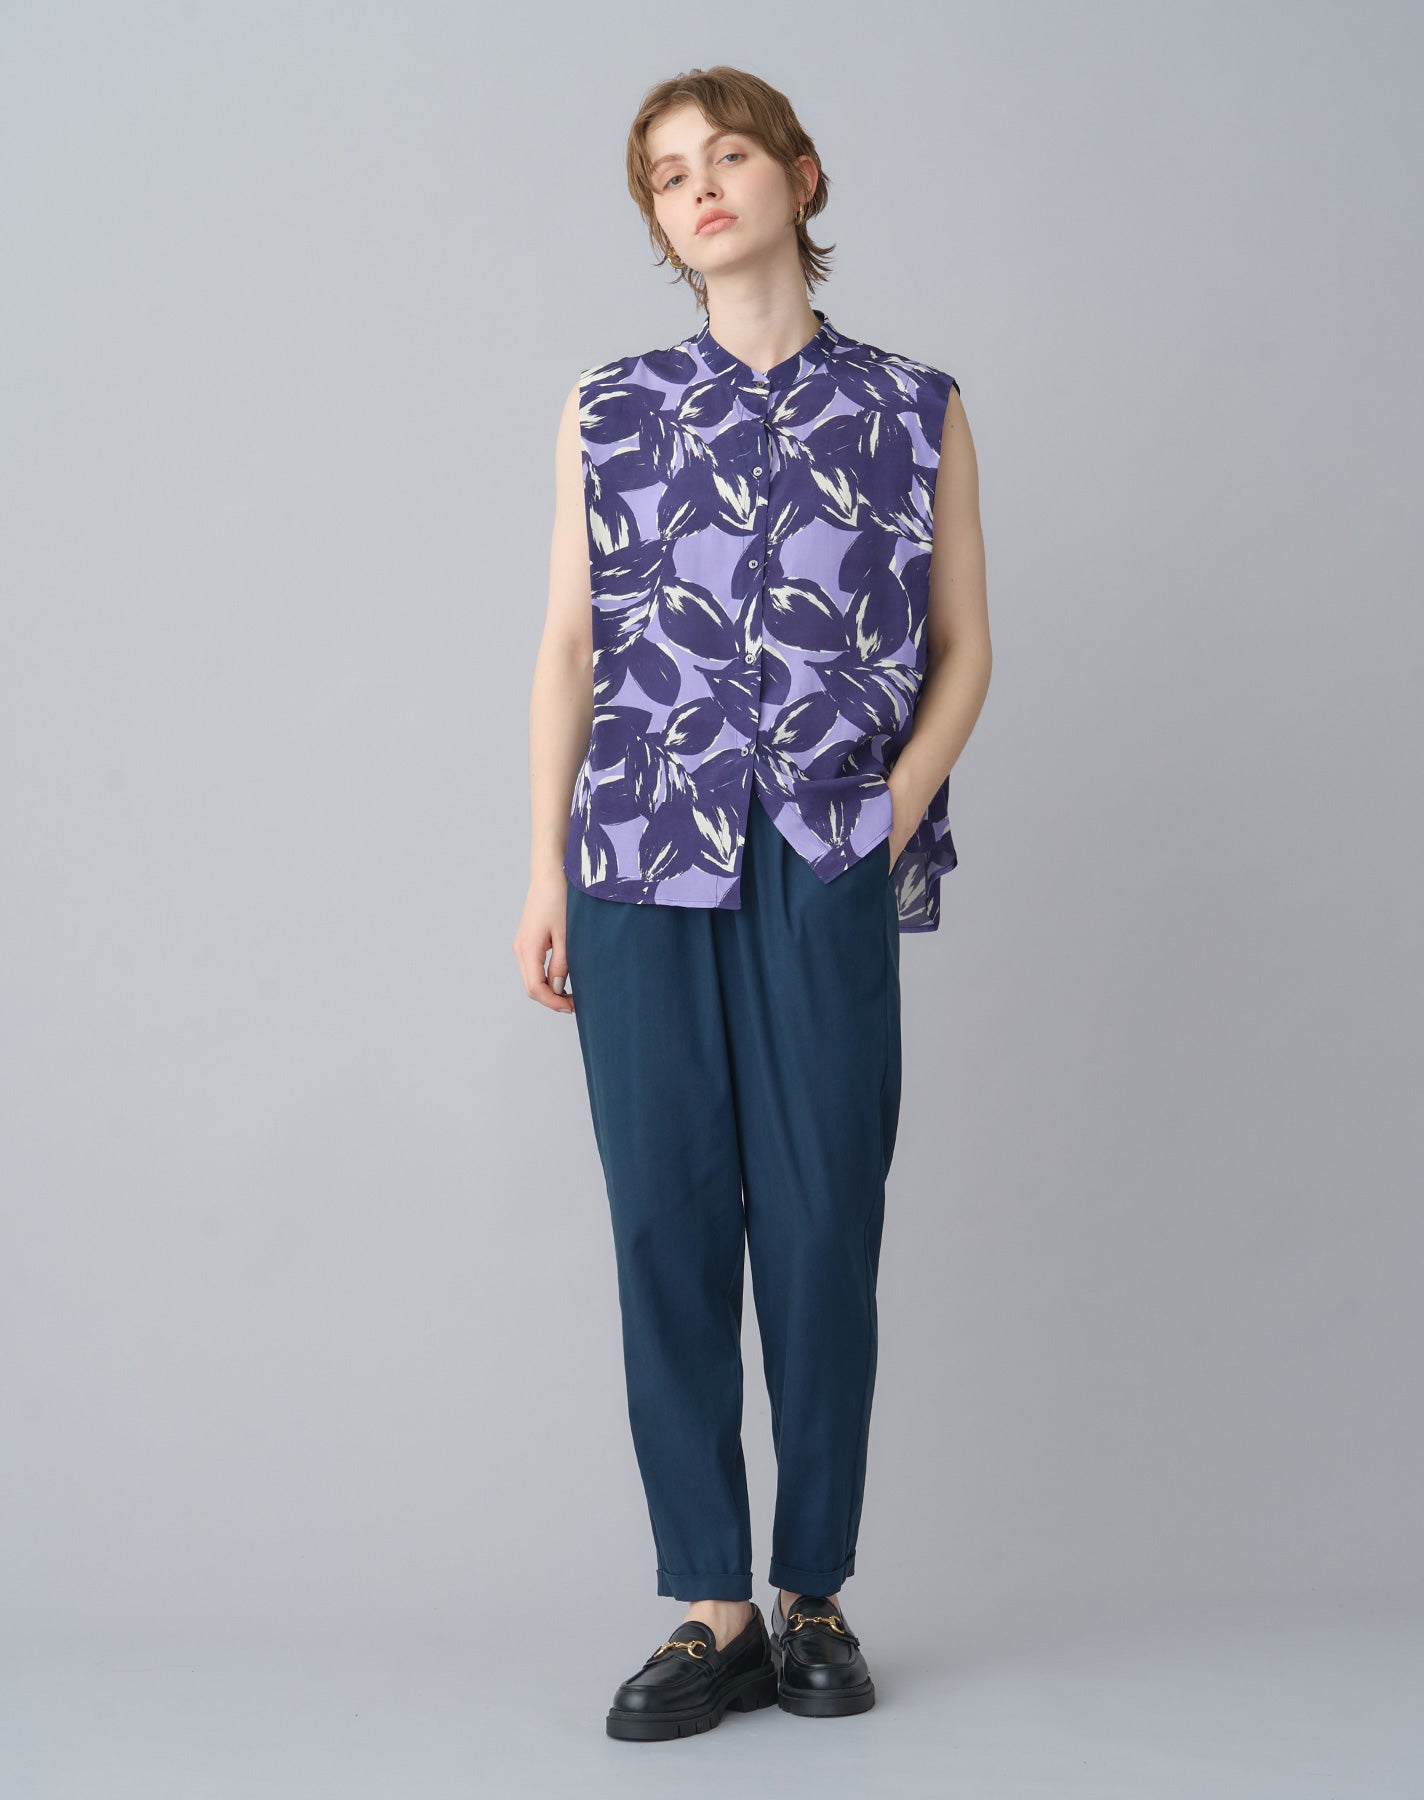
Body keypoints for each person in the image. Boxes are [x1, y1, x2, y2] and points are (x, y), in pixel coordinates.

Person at [515, 65, 991, 1740]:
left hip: (820, 854)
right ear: (659, 224)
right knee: (663, 1221)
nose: (700, 186)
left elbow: (965, 647)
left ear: (800, 173)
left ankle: (815, 1594)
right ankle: (709, 1605)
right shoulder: (609, 409)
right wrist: (543, 870)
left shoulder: (913, 407)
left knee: (821, 1224)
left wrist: (884, 815)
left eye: (726, 155)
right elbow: (570, 651)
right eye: (666, 175)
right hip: (638, 855)